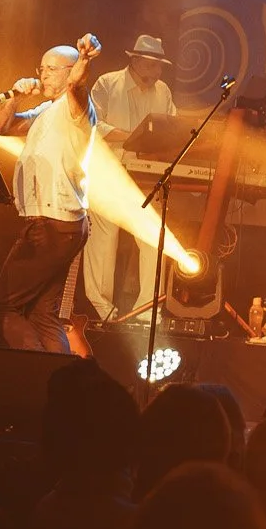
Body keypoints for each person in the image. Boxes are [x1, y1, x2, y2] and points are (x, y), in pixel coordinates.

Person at [0, 33, 101, 353]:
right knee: (43, 315)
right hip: (57, 223)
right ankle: (58, 376)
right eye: (41, 69)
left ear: (69, 71)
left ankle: (34, 371)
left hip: (51, 223)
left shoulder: (76, 108)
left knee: (3, 307)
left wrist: (84, 59)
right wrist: (15, 97)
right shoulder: (46, 110)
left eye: (51, 69)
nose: (43, 75)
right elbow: (2, 126)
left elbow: (77, 84)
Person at [81, 34, 176, 322]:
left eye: (159, 67)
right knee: (104, 239)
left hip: (146, 175)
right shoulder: (108, 84)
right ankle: (101, 308)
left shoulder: (163, 91)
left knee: (152, 237)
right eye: (152, 65)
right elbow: (91, 123)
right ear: (135, 61)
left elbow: (171, 128)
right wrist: (133, 137)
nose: (156, 72)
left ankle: (147, 310)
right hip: (109, 172)